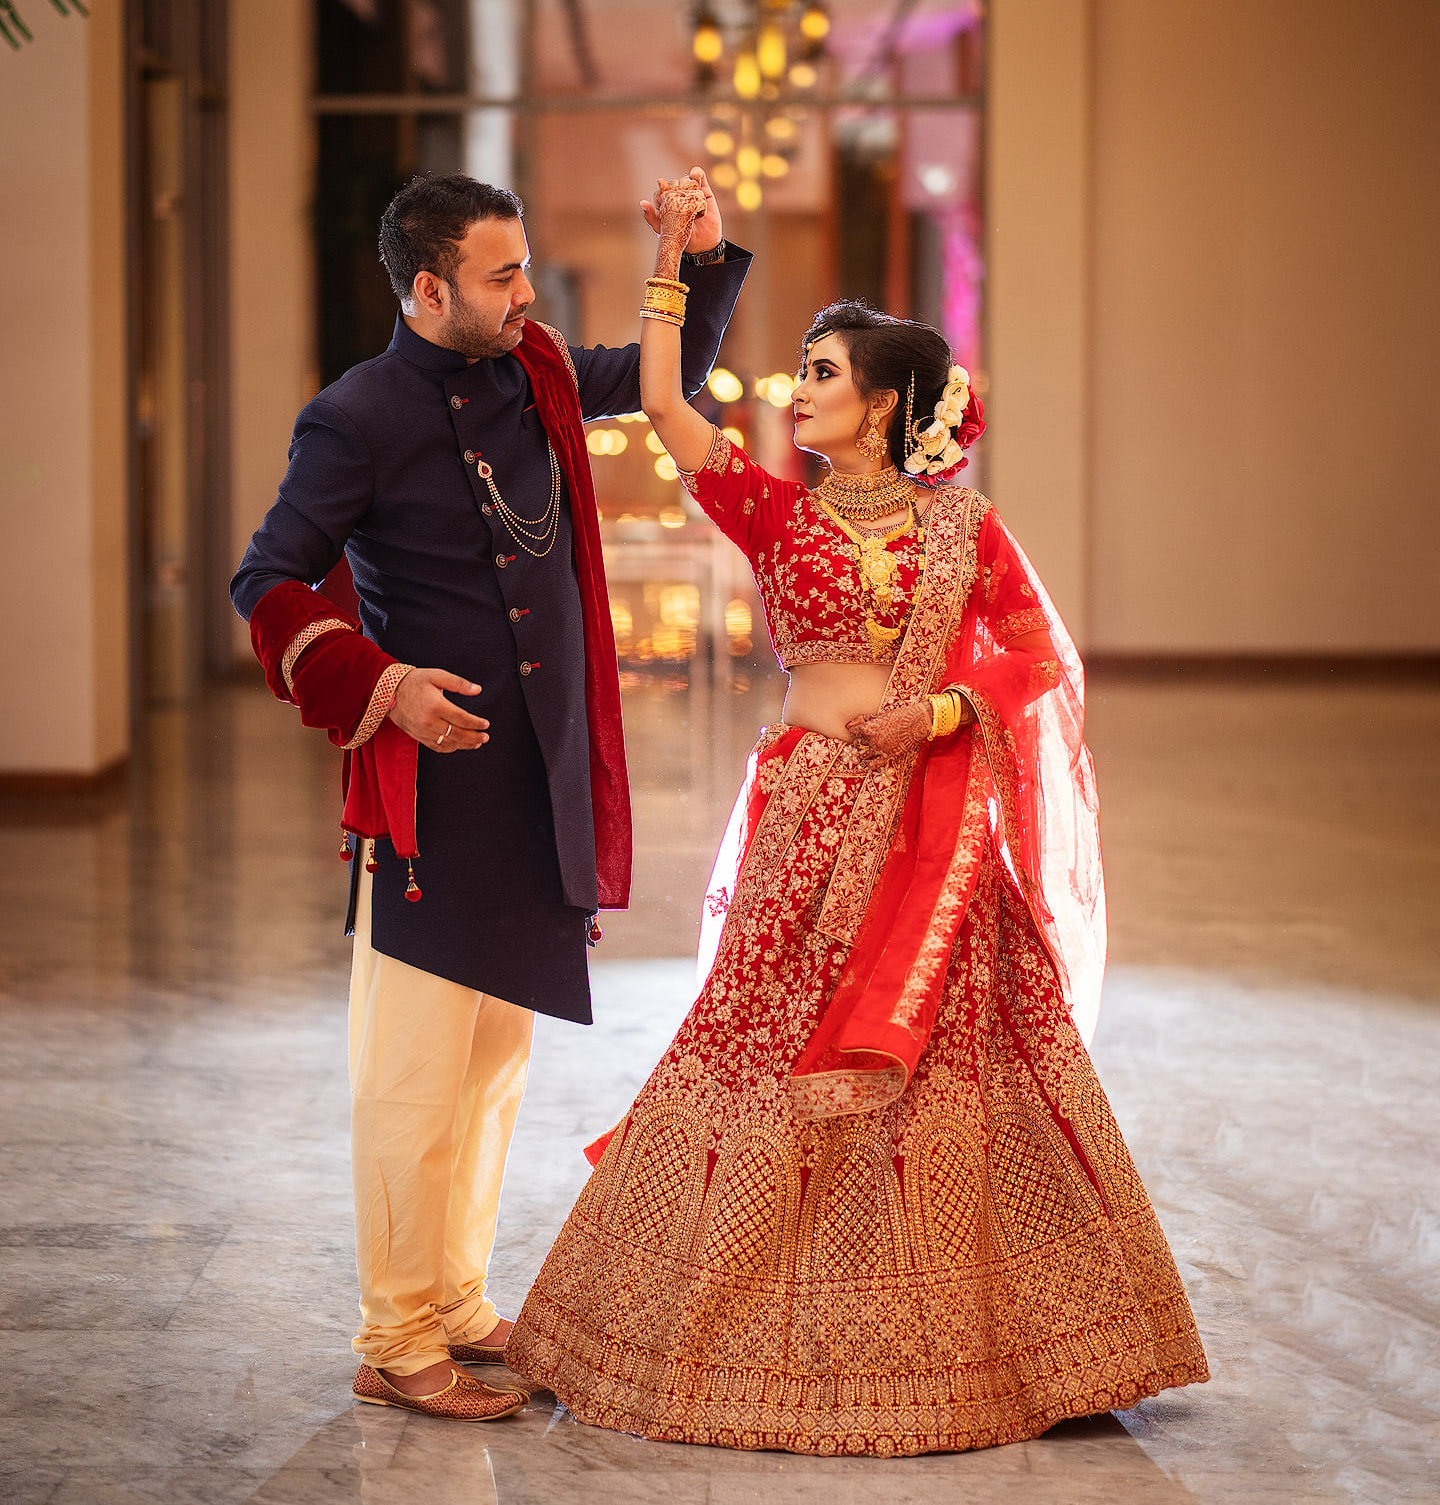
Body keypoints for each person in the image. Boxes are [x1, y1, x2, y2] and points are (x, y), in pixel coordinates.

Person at [508, 177, 1209, 1455]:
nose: (802, 390)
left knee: (967, 1064)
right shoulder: (779, 511)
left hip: (933, 827)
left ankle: (1027, 1340)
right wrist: (672, 264)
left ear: (882, 404)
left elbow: (1036, 658)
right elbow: (666, 405)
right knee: (762, 1037)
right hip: (811, 813)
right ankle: (709, 1315)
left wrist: (940, 716)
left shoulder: (965, 527)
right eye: (800, 373)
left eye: (822, 373)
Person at [230, 170, 749, 1421]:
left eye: (524, 269)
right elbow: (268, 581)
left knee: (492, 1066)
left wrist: (707, 258)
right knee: (411, 1077)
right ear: (426, 289)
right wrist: (386, 682)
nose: (529, 294)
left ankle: (456, 1301)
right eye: (503, 275)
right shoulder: (352, 418)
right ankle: (395, 1334)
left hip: (537, 782)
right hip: (434, 795)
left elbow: (659, 376)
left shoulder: (540, 372)